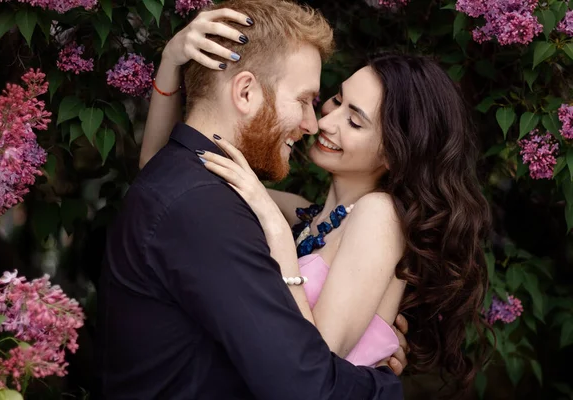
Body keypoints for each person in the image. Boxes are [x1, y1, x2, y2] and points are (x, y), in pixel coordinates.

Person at [139, 0, 491, 396]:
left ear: (395, 153)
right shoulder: (304, 214)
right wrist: (171, 61)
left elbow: (313, 361)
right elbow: (170, 173)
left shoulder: (379, 216)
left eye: (355, 121)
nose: (323, 121)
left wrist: (275, 231)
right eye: (337, 101)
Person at [96, 1, 406, 399]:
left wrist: (373, 341)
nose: (317, 124)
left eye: (355, 118)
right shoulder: (206, 207)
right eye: (310, 100)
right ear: (244, 92)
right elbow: (305, 383)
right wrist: (384, 386)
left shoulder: (193, 181)